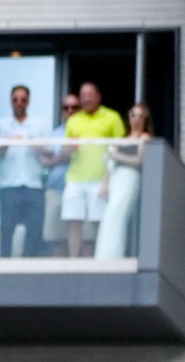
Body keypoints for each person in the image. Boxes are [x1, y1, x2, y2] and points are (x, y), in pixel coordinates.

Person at [60, 82, 126, 257]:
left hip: (100, 179)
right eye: (83, 95)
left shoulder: (112, 117)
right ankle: (73, 261)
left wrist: (109, 180)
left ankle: (101, 258)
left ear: (98, 96)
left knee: (99, 222)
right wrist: (69, 148)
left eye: (90, 95)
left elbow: (120, 148)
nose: (86, 99)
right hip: (75, 178)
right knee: (74, 221)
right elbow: (65, 150)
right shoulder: (73, 120)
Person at [0, 85, 47, 257]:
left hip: (33, 183)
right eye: (15, 99)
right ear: (10, 101)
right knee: (7, 228)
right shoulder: (1, 125)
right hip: (9, 184)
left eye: (23, 100)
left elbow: (49, 151)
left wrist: (33, 143)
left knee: (35, 227)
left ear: (28, 102)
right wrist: (9, 140)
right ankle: (4, 267)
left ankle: (28, 266)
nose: (19, 103)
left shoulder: (39, 125)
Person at [95, 103, 153, 259]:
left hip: (130, 177)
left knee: (118, 213)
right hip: (116, 177)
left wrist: (117, 156)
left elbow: (140, 160)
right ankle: (104, 254)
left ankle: (114, 254)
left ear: (145, 119)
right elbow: (109, 163)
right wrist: (104, 185)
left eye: (141, 116)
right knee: (109, 214)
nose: (136, 119)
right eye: (134, 115)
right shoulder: (122, 139)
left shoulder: (145, 138)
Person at [38, 94, 80, 256]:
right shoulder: (54, 134)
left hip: (79, 188)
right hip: (56, 189)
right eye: (66, 107)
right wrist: (62, 156)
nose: (70, 111)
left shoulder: (85, 130)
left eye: (74, 107)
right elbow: (43, 161)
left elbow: (52, 157)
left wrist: (55, 157)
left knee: (84, 241)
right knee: (56, 240)